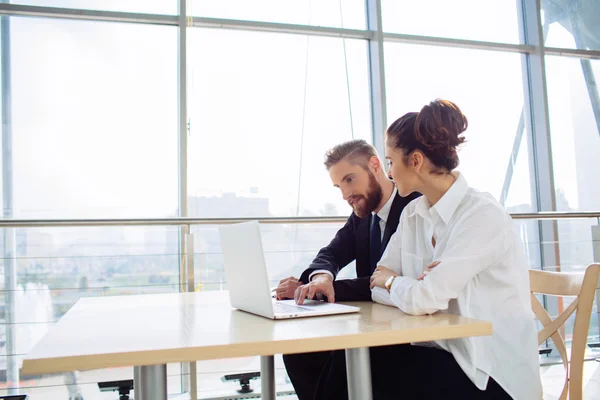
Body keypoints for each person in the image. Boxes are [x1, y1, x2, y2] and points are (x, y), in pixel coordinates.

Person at [316, 99, 542, 400]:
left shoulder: (481, 215)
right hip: (440, 352)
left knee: (366, 365)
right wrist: (407, 286)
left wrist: (396, 281)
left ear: (416, 161)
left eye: (391, 161)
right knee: (351, 359)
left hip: (489, 371)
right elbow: (376, 286)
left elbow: (422, 296)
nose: (390, 173)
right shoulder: (414, 215)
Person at [277, 139, 420, 400]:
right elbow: (331, 252)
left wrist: (317, 290)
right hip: (373, 324)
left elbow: (391, 281)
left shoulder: (413, 207)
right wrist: (321, 277)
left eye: (350, 179)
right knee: (299, 354)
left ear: (375, 165)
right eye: (338, 186)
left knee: (340, 361)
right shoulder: (363, 215)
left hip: (409, 332)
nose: (344, 194)